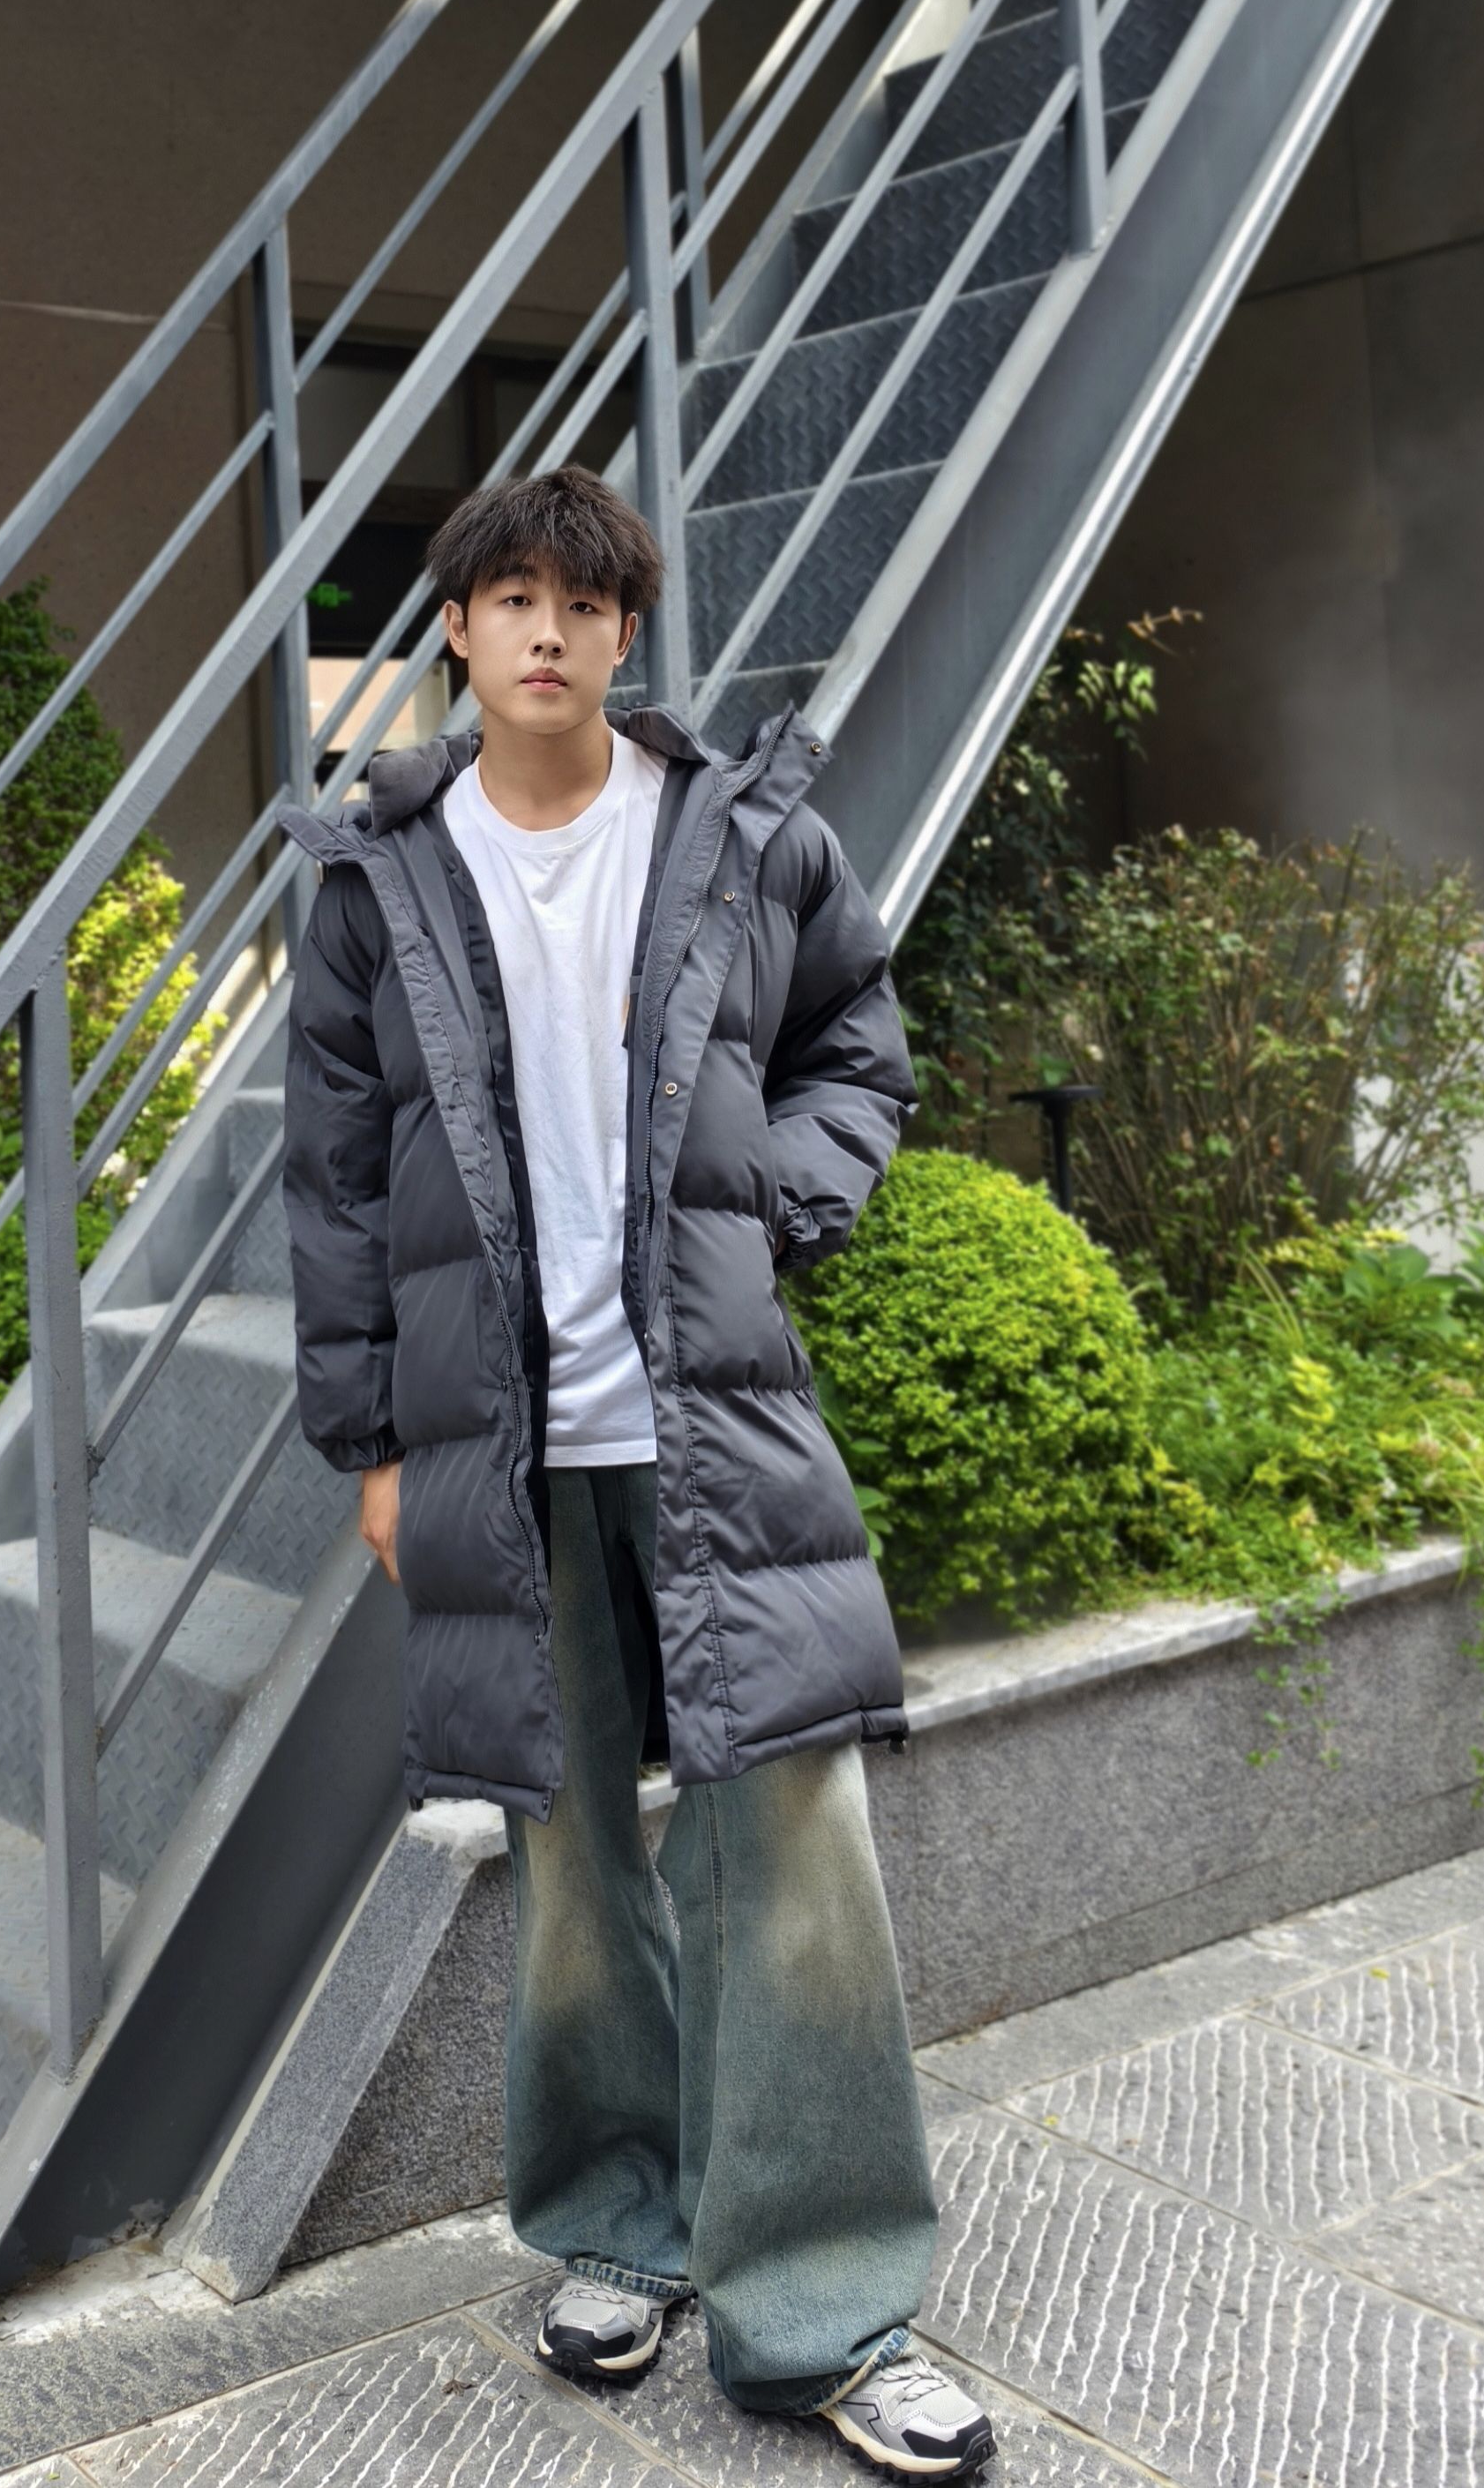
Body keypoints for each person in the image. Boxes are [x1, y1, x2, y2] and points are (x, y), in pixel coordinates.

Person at [277, 465, 993, 2478]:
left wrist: (783, 1202)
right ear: (456, 632)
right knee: (570, 1860)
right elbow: (334, 1181)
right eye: (508, 598)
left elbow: (857, 1039)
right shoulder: (375, 878)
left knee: (795, 1862)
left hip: (715, 1420)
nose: (546, 632)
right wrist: (371, 1442)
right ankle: (619, 2226)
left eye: (581, 602)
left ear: (623, 631)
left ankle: (826, 2306)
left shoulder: (740, 836)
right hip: (502, 1449)